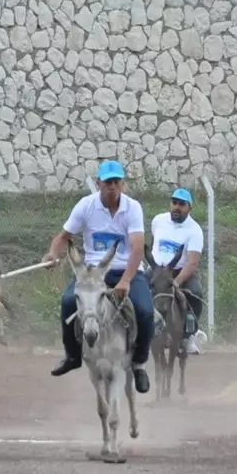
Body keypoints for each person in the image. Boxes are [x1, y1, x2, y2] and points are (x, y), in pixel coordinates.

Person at [42, 159, 154, 394]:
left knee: (145, 311)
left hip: (127, 270)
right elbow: (64, 236)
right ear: (98, 183)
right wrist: (52, 254)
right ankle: (73, 355)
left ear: (122, 183)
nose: (112, 186)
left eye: (116, 181)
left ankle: (139, 363)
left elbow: (136, 248)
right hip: (92, 273)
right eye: (107, 182)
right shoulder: (86, 206)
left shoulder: (132, 208)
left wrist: (125, 281)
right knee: (68, 303)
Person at [150, 187, 206, 354]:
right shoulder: (158, 221)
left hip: (179, 272)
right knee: (135, 288)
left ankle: (188, 337)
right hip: (158, 271)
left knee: (196, 294)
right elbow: (154, 244)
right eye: (174, 203)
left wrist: (177, 281)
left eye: (182, 204)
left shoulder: (194, 230)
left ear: (189, 208)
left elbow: (192, 262)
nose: (177, 207)